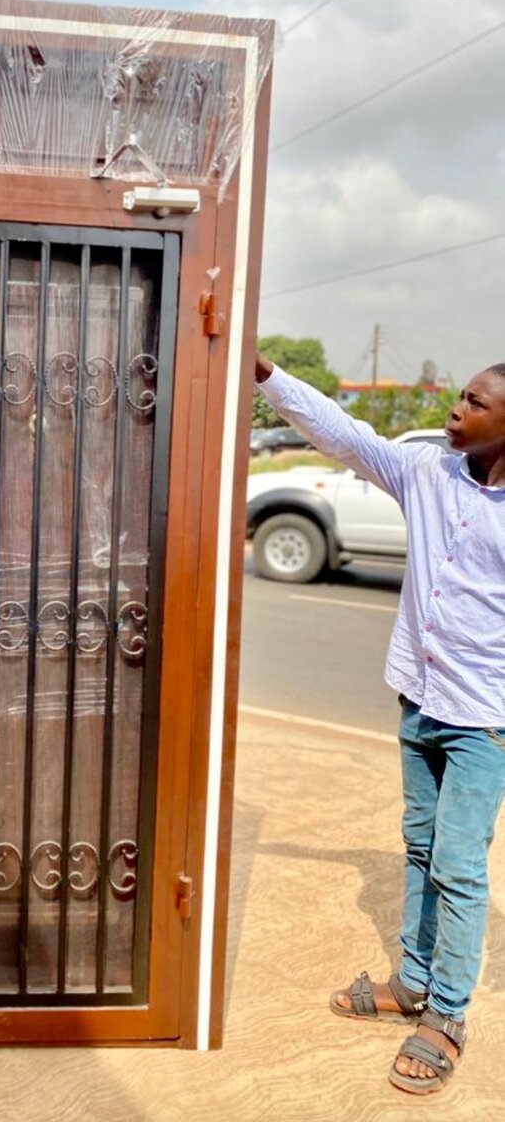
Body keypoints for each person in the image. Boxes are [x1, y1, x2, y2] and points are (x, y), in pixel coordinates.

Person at [254, 352, 505, 1095]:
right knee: (420, 847)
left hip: (484, 721)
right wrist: (265, 375)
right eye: (458, 396)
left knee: (460, 868)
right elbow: (344, 433)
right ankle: (414, 981)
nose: (456, 410)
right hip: (418, 701)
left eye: (473, 401)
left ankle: (447, 1016)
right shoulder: (426, 473)